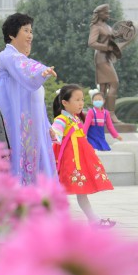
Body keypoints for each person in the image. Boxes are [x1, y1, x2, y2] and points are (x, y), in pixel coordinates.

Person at [0, 13, 57, 186]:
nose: (30, 35)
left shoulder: (21, 63)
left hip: (31, 128)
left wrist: (47, 124)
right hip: (15, 126)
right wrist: (40, 70)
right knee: (17, 166)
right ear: (12, 34)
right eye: (26, 30)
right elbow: (25, 67)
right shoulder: (6, 57)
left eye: (31, 31)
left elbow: (35, 100)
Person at [51, 84, 115, 227]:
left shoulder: (75, 118)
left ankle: (93, 220)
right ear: (65, 102)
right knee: (63, 191)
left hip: (80, 159)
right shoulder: (62, 119)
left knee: (81, 191)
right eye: (77, 100)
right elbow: (57, 133)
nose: (81, 103)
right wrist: (53, 134)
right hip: (70, 161)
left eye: (82, 100)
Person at [88, 4, 122, 122]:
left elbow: (111, 38)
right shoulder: (96, 26)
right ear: (100, 14)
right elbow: (91, 43)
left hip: (107, 58)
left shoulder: (107, 26)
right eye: (106, 13)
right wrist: (106, 47)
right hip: (101, 57)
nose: (108, 15)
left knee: (103, 87)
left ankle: (100, 115)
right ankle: (111, 114)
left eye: (108, 13)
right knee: (114, 83)